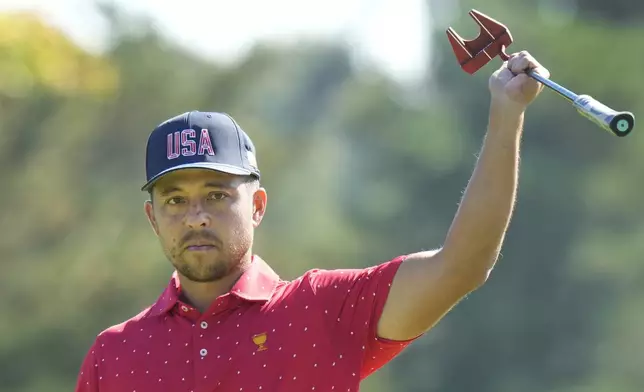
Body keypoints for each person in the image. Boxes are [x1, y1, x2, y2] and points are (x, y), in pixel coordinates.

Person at [75, 50, 549, 392]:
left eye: (217, 195)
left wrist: (506, 116)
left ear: (258, 205)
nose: (196, 216)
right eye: (175, 200)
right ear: (152, 218)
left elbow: (461, 267)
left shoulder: (323, 311)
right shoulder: (113, 354)